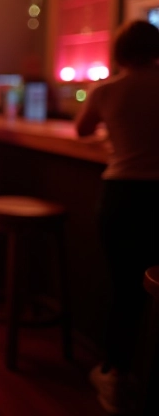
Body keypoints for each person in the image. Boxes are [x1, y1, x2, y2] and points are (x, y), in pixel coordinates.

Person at [76, 21, 159, 415]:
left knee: (125, 288)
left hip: (123, 196)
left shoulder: (107, 89)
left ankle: (114, 374)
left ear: (120, 52)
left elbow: (82, 130)